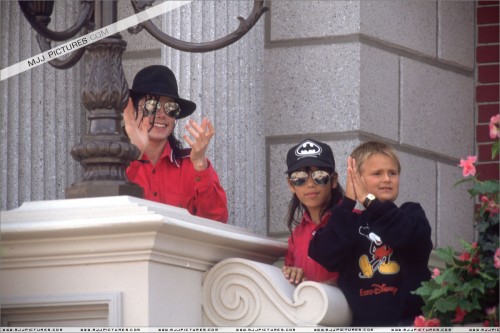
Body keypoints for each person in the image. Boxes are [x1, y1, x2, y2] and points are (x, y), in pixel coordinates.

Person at [308, 141, 432, 326]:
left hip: (410, 323)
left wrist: (370, 201)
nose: (387, 179)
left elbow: (406, 234)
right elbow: (323, 252)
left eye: (392, 173)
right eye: (377, 173)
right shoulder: (352, 223)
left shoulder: (411, 213)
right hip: (363, 325)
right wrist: (349, 201)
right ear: (357, 179)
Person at [123, 65, 228, 223]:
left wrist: (200, 164)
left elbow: (217, 220)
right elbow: (102, 211)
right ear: (133, 111)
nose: (162, 114)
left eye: (170, 108)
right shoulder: (115, 162)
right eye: (151, 106)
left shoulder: (191, 164)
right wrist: (134, 154)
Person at [282, 138, 344, 285]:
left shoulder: (354, 221)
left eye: (319, 175)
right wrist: (292, 276)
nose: (310, 184)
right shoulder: (296, 236)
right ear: (291, 185)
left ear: (333, 180)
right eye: (299, 178)